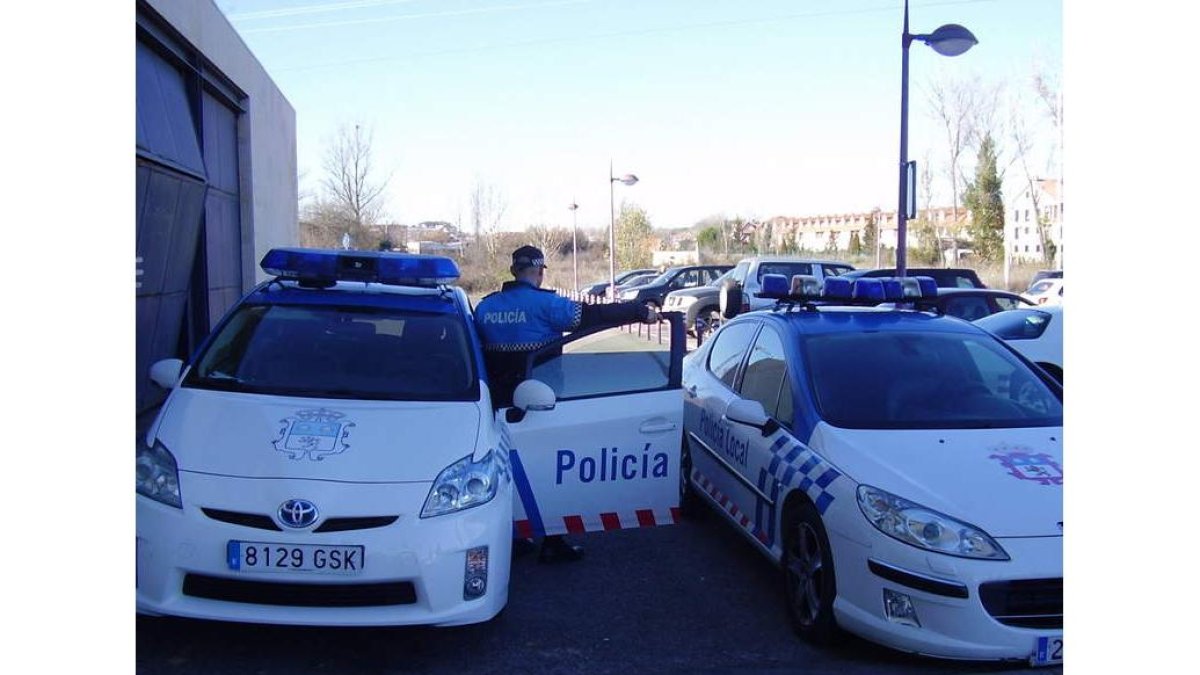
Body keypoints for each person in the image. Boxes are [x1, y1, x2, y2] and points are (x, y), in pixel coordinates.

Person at [475, 245, 659, 563]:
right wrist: (638, 311)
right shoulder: (546, 303)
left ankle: (512, 535)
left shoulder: (486, 307)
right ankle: (552, 541)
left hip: (497, 405)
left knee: (503, 470)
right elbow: (592, 315)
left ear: (512, 270)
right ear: (540, 270)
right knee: (547, 471)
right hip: (542, 403)